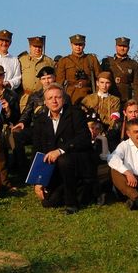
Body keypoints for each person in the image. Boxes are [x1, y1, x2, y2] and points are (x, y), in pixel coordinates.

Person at [30, 84, 97, 214]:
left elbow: (84, 138)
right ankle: (84, 192)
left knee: (63, 159)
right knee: (48, 202)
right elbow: (37, 150)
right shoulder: (40, 120)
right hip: (56, 168)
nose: (54, 101)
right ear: (45, 102)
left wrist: (60, 150)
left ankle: (72, 205)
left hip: (78, 160)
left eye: (57, 97)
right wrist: (38, 180)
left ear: (63, 99)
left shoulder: (76, 114)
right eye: (50, 98)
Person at [56, 34, 102, 103]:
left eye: (80, 45)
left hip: (89, 96)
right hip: (70, 97)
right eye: (75, 45)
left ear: (84, 45)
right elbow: (59, 82)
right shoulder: (64, 61)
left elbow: (99, 78)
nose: (78, 47)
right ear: (71, 45)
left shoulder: (91, 59)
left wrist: (97, 97)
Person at [101, 36, 138, 106]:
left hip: (125, 100)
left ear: (128, 48)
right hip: (108, 99)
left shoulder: (133, 64)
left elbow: (137, 86)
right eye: (120, 46)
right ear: (116, 47)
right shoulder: (107, 62)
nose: (122, 48)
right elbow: (99, 80)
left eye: (125, 46)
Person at [17, 35, 54, 111]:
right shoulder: (22, 60)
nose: (37, 49)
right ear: (30, 46)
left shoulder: (49, 61)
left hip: (42, 99)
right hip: (25, 98)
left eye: (40, 47)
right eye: (35, 46)